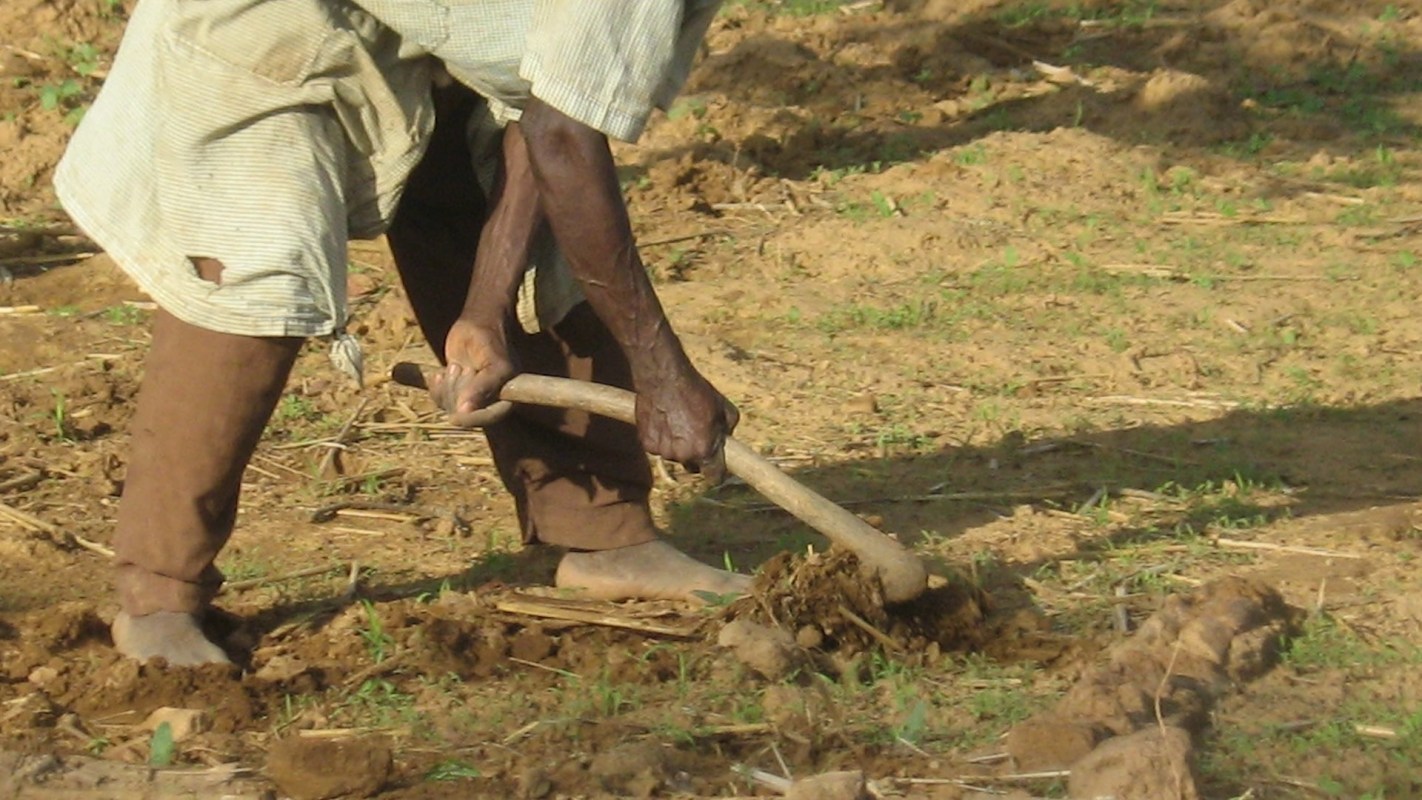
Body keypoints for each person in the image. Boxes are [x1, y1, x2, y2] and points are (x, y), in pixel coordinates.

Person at [53, 0, 749, 666]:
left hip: (425, 37)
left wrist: (485, 308)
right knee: (260, 258)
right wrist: (662, 374)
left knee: (528, 223)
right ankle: (159, 595)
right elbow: (561, 139)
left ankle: (601, 533)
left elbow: (551, 109)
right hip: (268, 27)